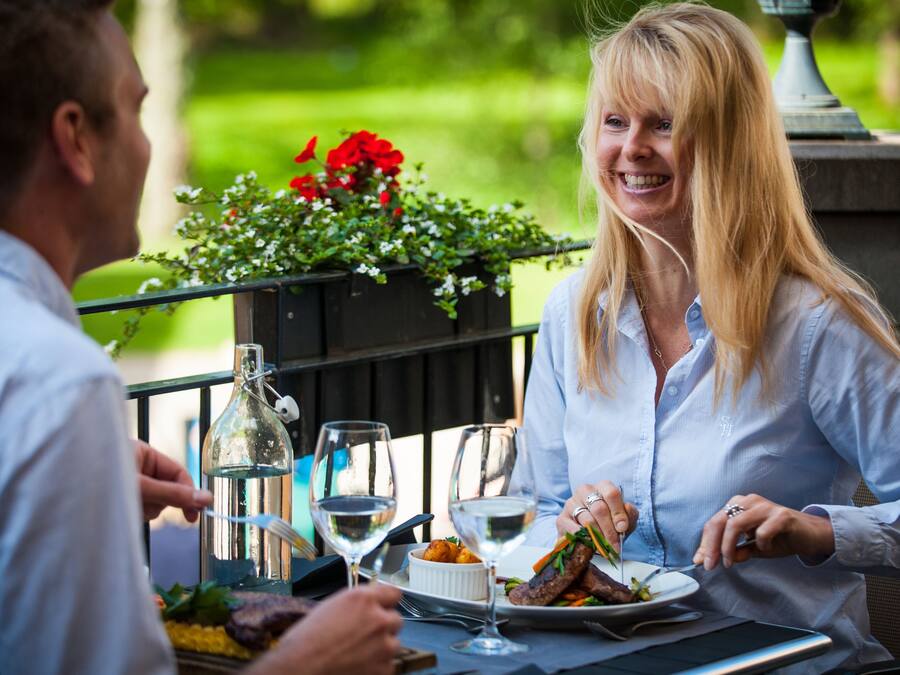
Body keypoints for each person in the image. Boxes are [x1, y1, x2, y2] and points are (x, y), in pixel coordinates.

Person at [0, 1, 402, 674]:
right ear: (75, 139)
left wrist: (74, 477)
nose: (150, 145)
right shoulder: (60, 382)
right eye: (136, 110)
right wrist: (306, 663)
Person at [523, 3, 900, 672]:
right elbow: (534, 511)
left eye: (664, 124)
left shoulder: (818, 323)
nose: (631, 148)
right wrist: (564, 527)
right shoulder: (572, 314)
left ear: (730, 143)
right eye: (615, 121)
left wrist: (816, 530)